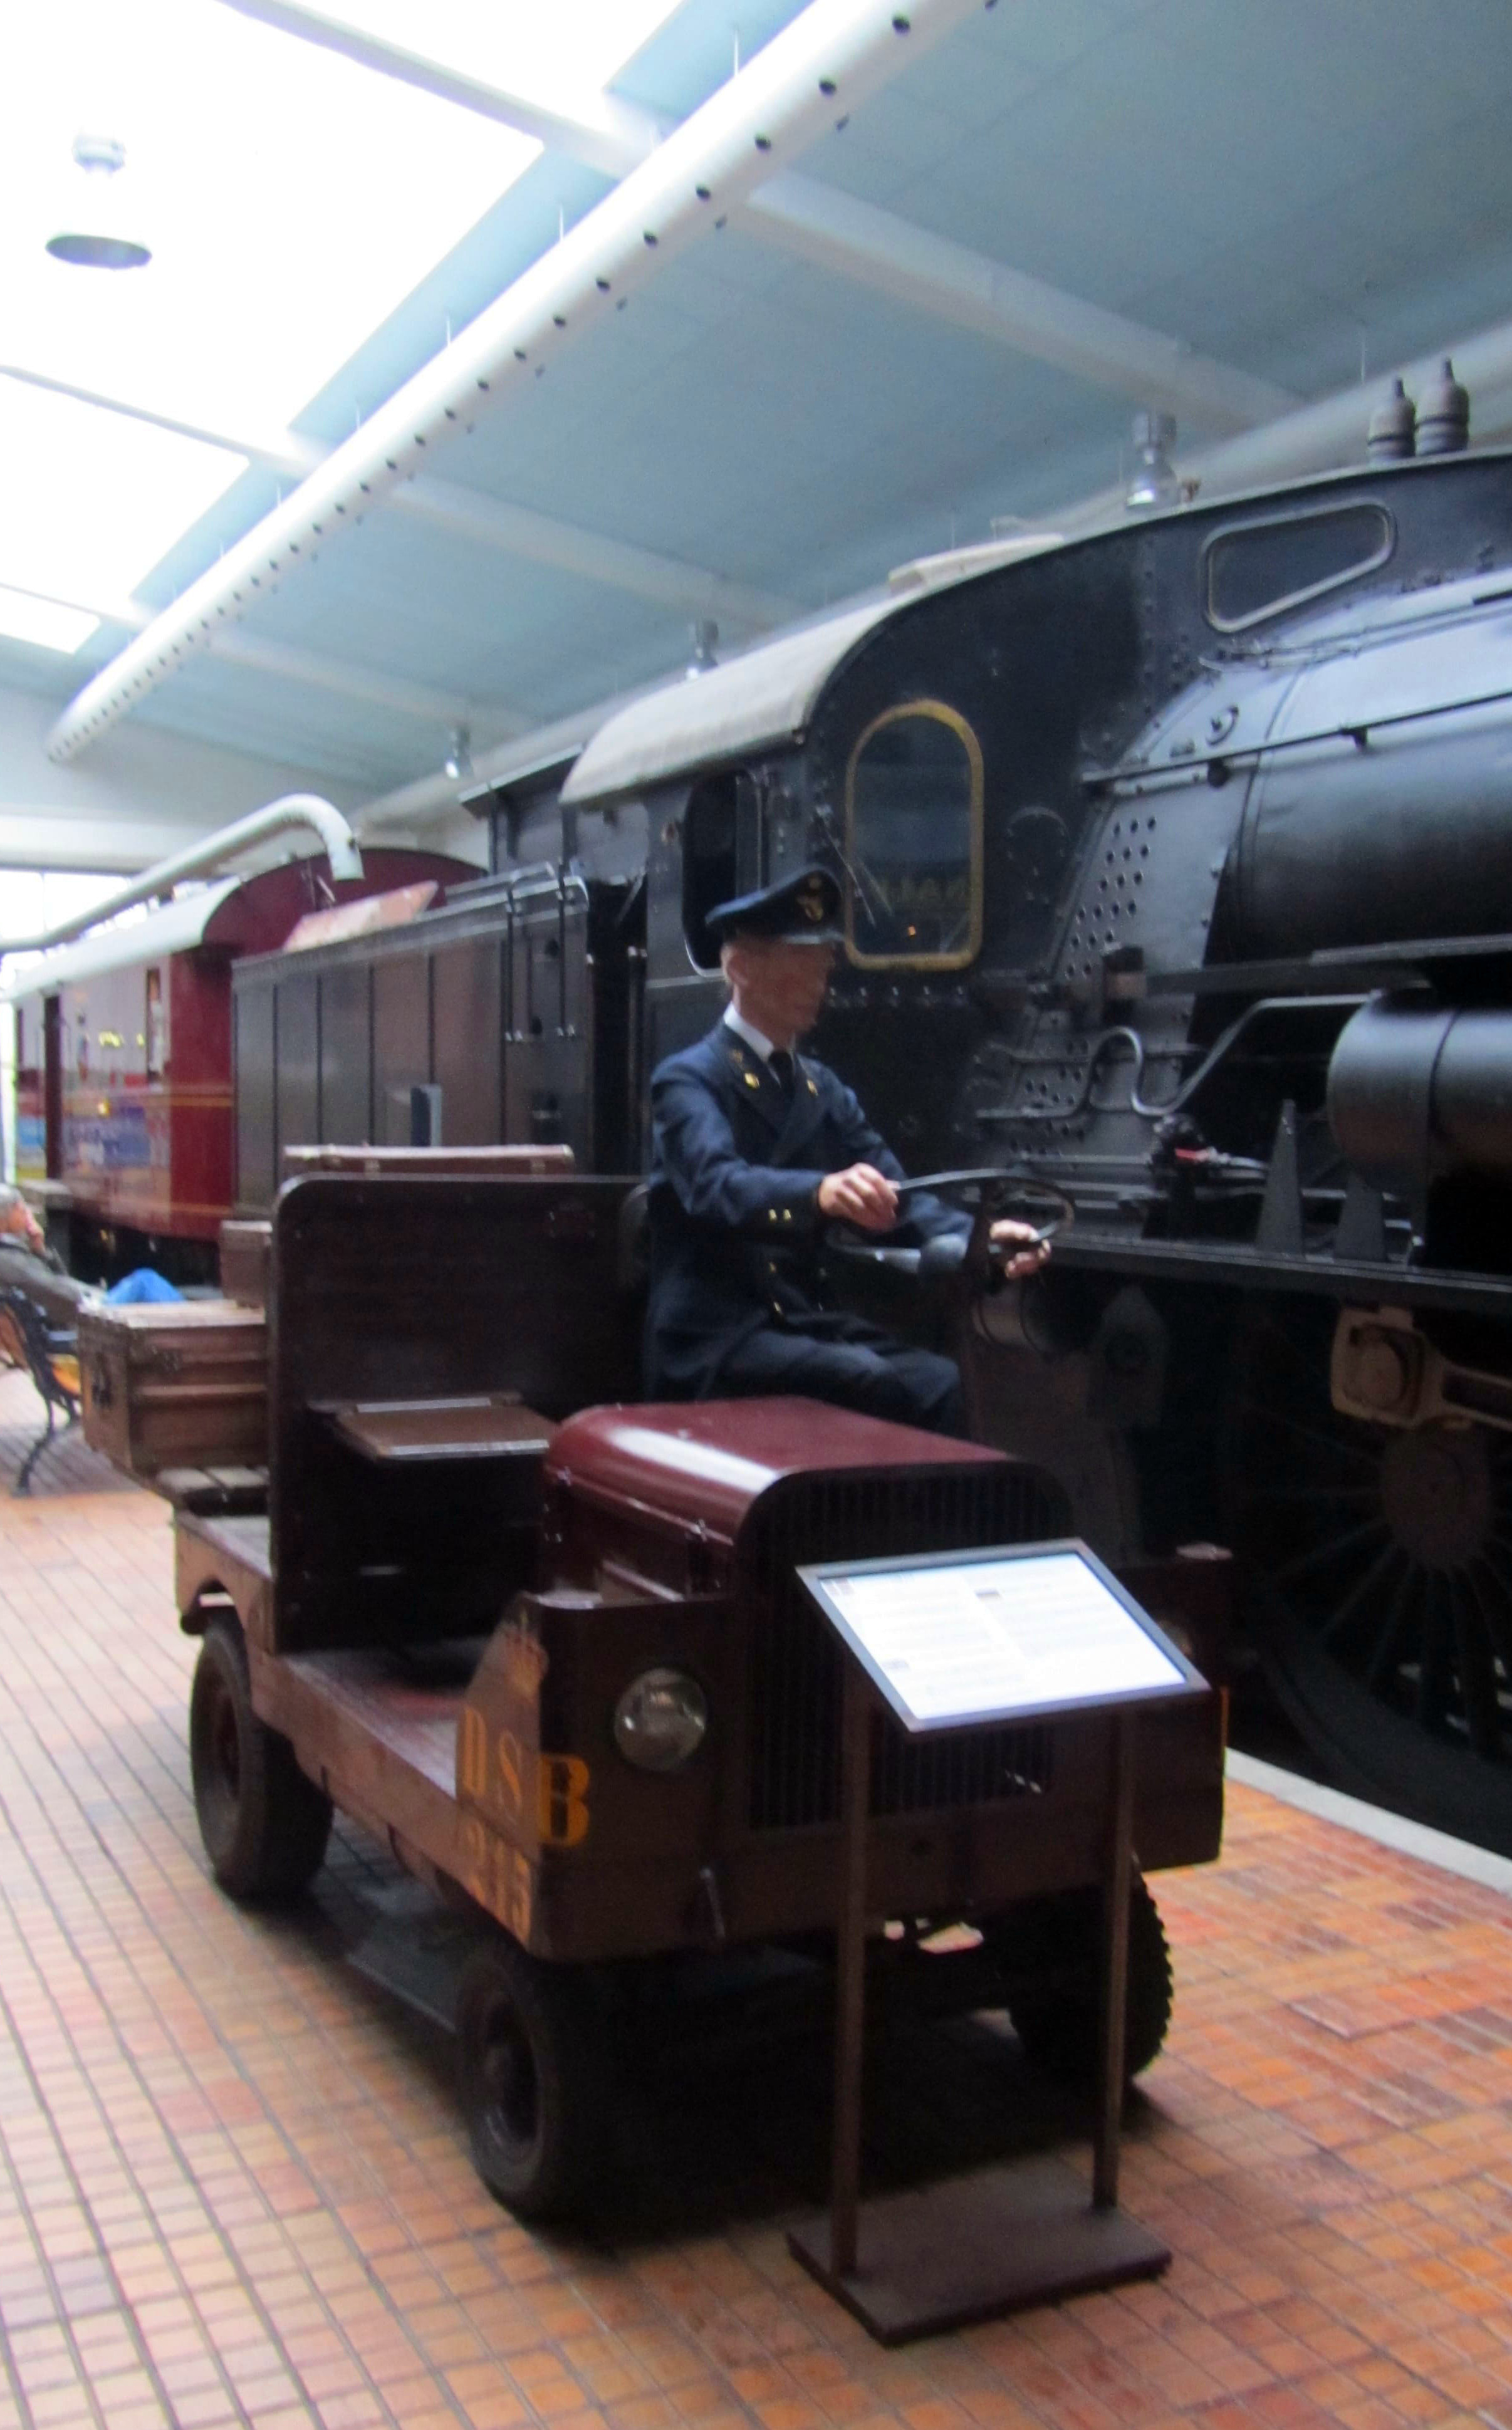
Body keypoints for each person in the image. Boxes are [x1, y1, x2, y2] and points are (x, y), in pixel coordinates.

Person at [644, 866, 1048, 1434]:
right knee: (865, 1380)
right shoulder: (688, 1080)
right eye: (800, 964)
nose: (819, 983)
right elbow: (716, 1187)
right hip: (714, 1334)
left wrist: (978, 1239)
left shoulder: (819, 1089)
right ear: (740, 970)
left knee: (945, 1385)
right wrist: (820, 1194)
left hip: (798, 1321)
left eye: (823, 966)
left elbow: (897, 1199)